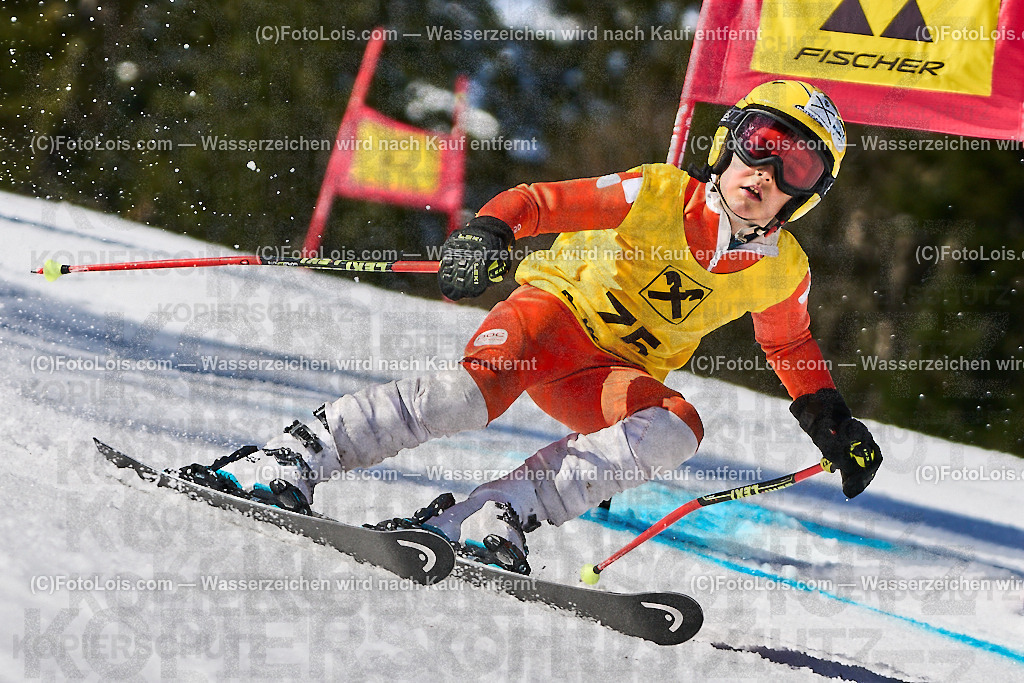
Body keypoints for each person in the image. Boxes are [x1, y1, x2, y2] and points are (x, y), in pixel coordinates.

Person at [199, 79, 882, 575]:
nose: (765, 171)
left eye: (796, 164)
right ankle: (295, 454)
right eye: (761, 143)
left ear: (807, 195)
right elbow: (540, 202)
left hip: (603, 378)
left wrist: (834, 424)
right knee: (470, 395)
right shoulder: (660, 192)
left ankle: (492, 513)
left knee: (678, 426)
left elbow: (788, 342)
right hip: (549, 321)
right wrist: (489, 230)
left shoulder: (780, 267)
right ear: (728, 144)